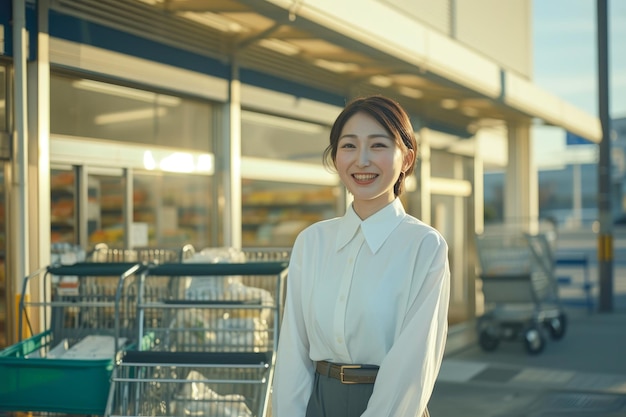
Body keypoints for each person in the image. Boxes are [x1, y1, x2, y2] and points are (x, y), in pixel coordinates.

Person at [272, 95, 451, 417]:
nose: (362, 160)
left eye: (379, 146)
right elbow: (293, 349)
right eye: (349, 146)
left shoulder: (424, 245)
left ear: (407, 160)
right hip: (317, 401)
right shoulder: (312, 242)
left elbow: (413, 362)